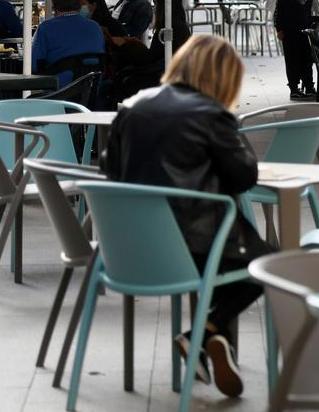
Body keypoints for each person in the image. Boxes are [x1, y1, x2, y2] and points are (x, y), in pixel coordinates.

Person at [103, 34, 270, 398]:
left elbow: (109, 171)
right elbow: (244, 177)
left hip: (126, 250)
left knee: (233, 255)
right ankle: (203, 333)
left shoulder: (131, 106)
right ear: (223, 77)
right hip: (193, 247)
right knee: (264, 264)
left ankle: (210, 341)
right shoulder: (213, 115)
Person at [32, 0, 106, 87]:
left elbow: (33, 66)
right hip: (91, 89)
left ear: (54, 8)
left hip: (58, 91)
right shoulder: (95, 27)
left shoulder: (45, 28)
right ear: (79, 6)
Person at [273, 0, 316, 99]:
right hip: (289, 29)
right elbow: (279, 9)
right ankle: (294, 87)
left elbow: (308, 9)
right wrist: (279, 28)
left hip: (305, 29)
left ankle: (309, 85)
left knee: (306, 58)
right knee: (292, 59)